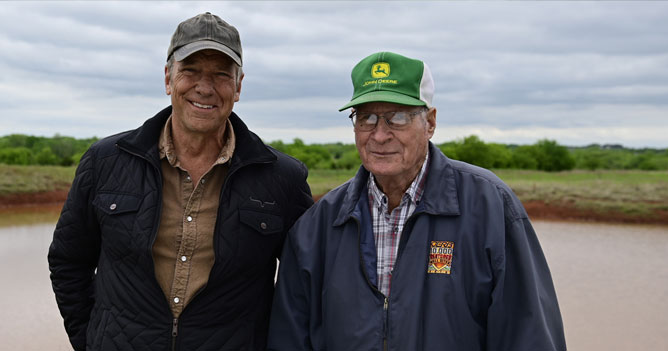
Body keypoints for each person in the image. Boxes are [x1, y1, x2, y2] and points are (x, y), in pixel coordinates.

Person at [48, 12, 313, 351]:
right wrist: (91, 341)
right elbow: (68, 260)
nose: (205, 87)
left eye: (221, 74)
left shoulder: (282, 178)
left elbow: (303, 285)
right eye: (190, 71)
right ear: (168, 78)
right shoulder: (105, 161)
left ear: (239, 86)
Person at [268, 51, 566, 351]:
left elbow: (528, 334)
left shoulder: (490, 206)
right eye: (366, 118)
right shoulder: (317, 226)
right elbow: (289, 339)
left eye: (397, 117)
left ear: (430, 122)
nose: (380, 135)